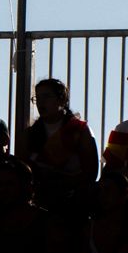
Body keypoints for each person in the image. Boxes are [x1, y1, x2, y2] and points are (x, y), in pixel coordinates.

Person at [19, 78, 99, 213]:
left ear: (62, 100)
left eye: (46, 96)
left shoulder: (80, 131)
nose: (41, 102)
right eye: (37, 98)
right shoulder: (29, 135)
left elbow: (91, 172)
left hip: (74, 200)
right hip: (40, 200)